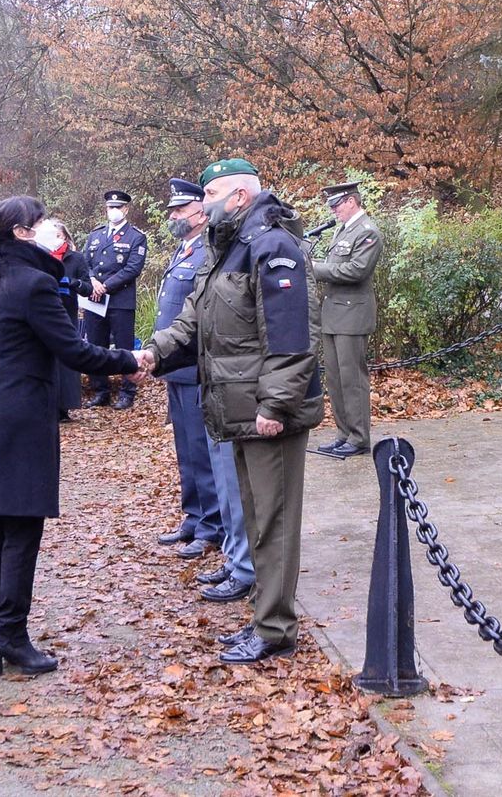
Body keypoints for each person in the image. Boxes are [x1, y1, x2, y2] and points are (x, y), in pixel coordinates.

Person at [139, 158, 322, 665]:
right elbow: (192, 321)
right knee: (257, 519)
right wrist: (152, 354)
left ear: (240, 196)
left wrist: (276, 404)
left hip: (268, 413)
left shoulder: (272, 245)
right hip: (239, 408)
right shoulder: (227, 248)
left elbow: (291, 338)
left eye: (212, 192)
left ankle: (276, 629)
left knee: (275, 522)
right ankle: (265, 616)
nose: (204, 202)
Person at [0, 196, 140, 675]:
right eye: (43, 223)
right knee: (21, 531)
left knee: (0, 529)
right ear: (21, 232)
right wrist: (130, 361)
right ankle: (11, 636)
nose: (53, 228)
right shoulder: (33, 283)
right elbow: (74, 351)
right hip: (19, 415)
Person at [150, 179, 225, 565]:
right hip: (174, 368)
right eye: (172, 212)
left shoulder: (208, 252)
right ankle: (194, 516)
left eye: (180, 211)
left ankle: (212, 525)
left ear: (200, 211)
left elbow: (195, 317)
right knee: (186, 451)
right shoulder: (185, 250)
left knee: (201, 450)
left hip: (194, 366)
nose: (174, 217)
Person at [311, 182, 384, 459]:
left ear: (351, 201)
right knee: (336, 378)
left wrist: (316, 268)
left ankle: (359, 437)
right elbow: (337, 265)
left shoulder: (367, 232)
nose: (333, 211)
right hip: (334, 314)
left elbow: (356, 270)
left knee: (352, 379)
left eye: (336, 205)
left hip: (352, 315)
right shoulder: (343, 230)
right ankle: (344, 433)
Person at [82, 189, 147, 409]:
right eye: (111, 207)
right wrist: (92, 281)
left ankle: (127, 392)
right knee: (95, 345)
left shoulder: (136, 236)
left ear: (126, 209)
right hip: (94, 299)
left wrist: (106, 286)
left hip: (120, 300)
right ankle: (101, 391)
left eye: (118, 207)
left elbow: (132, 268)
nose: (114, 211)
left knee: (124, 347)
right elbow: (86, 263)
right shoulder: (95, 235)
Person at [48, 221, 89, 420]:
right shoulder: (39, 257)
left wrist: (71, 283)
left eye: (58, 236)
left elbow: (87, 288)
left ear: (64, 237)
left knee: (65, 358)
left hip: (66, 312)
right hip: (44, 312)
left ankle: (64, 406)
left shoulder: (76, 258)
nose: (54, 240)